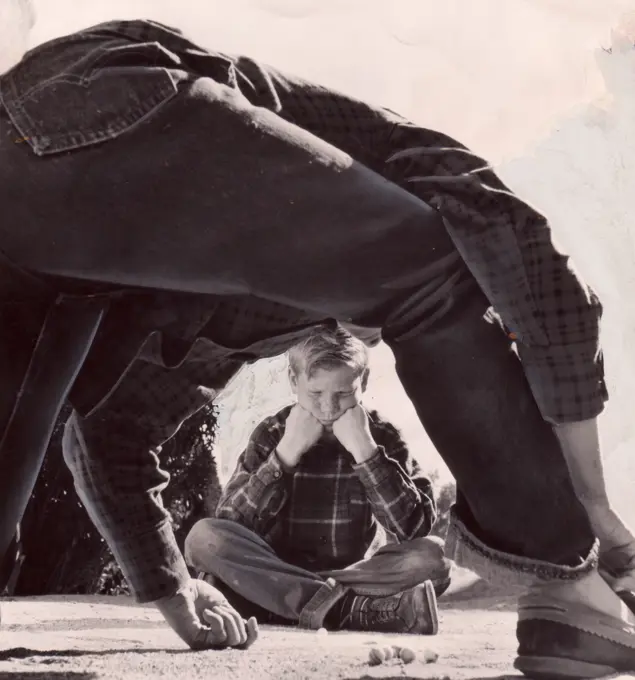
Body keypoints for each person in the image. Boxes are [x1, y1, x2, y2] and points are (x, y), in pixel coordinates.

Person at [1, 4, 634, 676]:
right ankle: (569, 598)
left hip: (26, 190)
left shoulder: (242, 310)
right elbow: (543, 280)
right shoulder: (401, 154)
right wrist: (594, 517)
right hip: (114, 91)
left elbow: (111, 433)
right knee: (431, 278)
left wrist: (171, 592)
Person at [185, 325, 451, 633]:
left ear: (363, 382)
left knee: (434, 558)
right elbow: (230, 523)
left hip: (349, 574)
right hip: (273, 567)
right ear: (293, 382)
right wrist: (284, 455)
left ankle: (285, 604)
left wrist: (366, 453)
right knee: (202, 538)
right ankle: (349, 609)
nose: (328, 407)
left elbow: (415, 531)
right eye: (315, 394)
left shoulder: (382, 437)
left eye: (343, 393)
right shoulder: (272, 434)